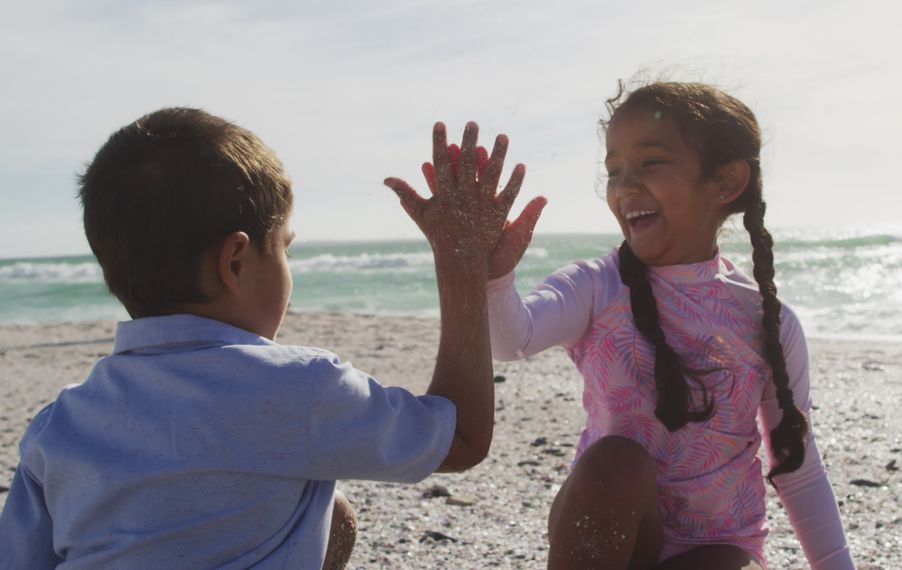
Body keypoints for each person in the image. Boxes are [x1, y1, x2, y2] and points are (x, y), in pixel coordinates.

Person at [0, 110, 523, 569]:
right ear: (234, 263)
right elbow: (460, 438)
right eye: (284, 250)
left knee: (330, 514)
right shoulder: (299, 389)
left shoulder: (59, 423)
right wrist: (460, 263)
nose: (289, 269)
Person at [483, 82, 855, 569]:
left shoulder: (766, 321)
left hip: (716, 546)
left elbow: (798, 468)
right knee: (615, 461)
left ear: (725, 182)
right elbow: (512, 338)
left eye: (650, 163)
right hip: (610, 532)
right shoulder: (597, 287)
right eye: (614, 170)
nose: (625, 186)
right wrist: (492, 274)